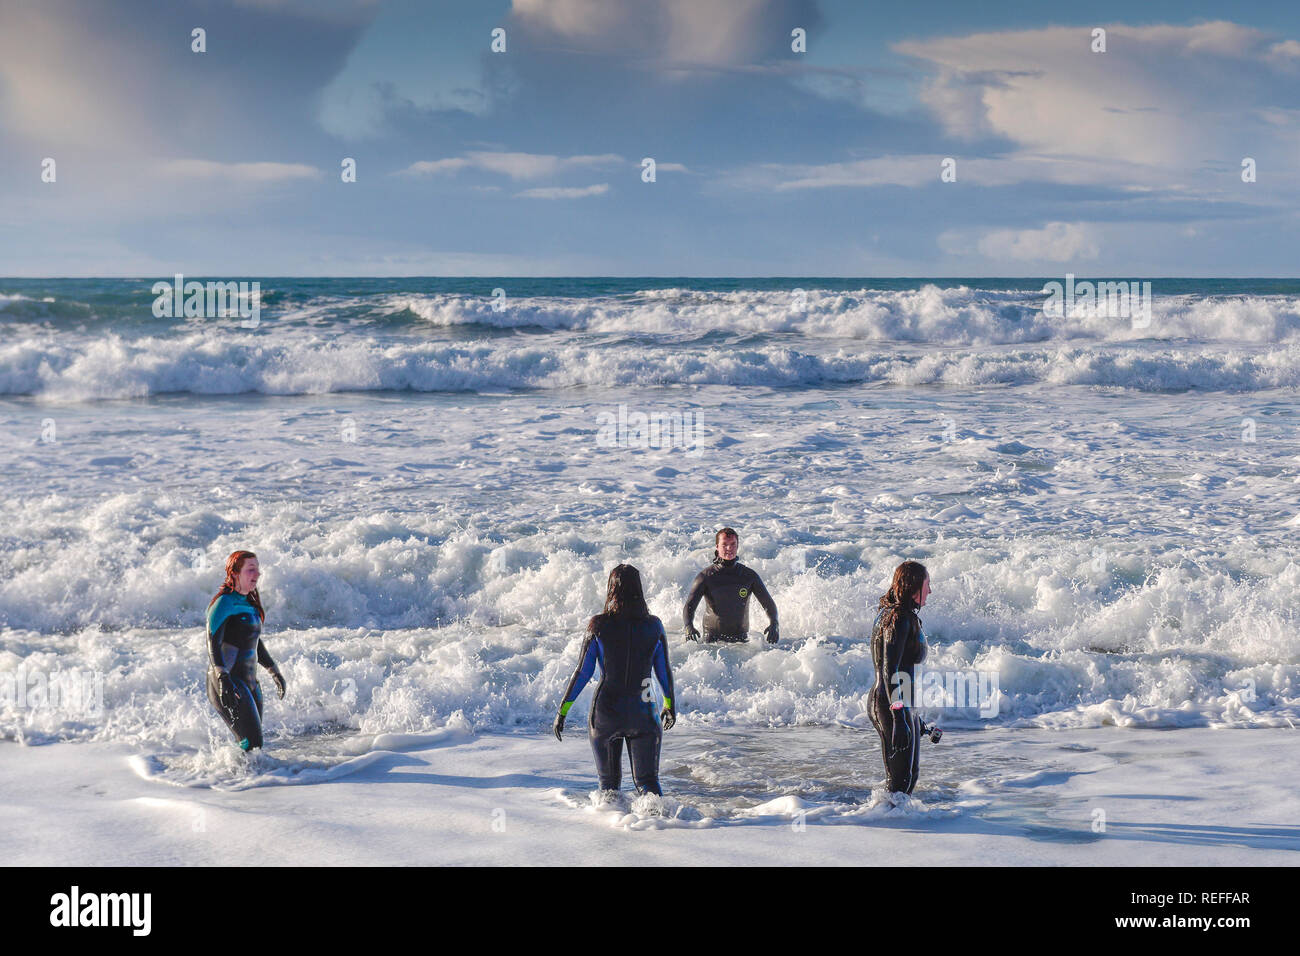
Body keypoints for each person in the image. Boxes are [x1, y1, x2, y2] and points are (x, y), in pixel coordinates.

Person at [554, 564, 676, 796]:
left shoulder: (598, 625)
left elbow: (583, 672)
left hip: (607, 713)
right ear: (639, 589)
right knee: (648, 783)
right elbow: (663, 671)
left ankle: (612, 827)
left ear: (610, 589)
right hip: (644, 712)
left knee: (609, 787)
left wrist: (562, 711)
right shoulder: (654, 626)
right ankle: (660, 828)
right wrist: (670, 705)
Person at [205, 550, 286, 751]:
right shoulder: (224, 602)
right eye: (251, 570)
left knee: (253, 747)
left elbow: (253, 640)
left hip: (250, 683)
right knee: (252, 744)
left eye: (257, 569)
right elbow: (211, 641)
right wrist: (223, 677)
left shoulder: (249, 601)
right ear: (234, 573)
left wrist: (274, 671)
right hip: (229, 681)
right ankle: (238, 780)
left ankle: (244, 778)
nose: (257, 574)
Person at [868, 560, 937, 794]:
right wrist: (898, 717)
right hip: (889, 703)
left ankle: (898, 823)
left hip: (900, 703)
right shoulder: (898, 619)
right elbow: (890, 670)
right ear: (913, 586)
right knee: (900, 783)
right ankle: (883, 825)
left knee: (910, 778)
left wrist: (916, 721)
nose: (930, 590)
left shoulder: (898, 615)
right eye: (927, 584)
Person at [682, 527, 778, 643]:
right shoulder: (706, 577)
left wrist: (774, 623)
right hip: (712, 641)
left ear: (737, 546)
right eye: (724, 544)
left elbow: (768, 603)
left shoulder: (749, 576)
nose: (729, 548)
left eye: (733, 544)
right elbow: (689, 606)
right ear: (717, 546)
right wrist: (688, 626)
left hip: (741, 640)